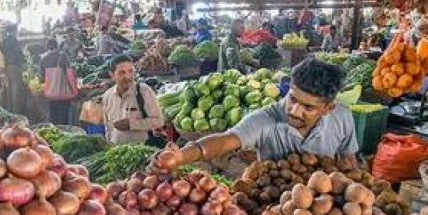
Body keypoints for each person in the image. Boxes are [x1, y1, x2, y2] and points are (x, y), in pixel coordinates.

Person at [152, 58, 360, 171]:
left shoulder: (342, 115)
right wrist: (181, 156)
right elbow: (226, 140)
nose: (294, 111)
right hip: (274, 209)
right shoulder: (267, 118)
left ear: (328, 108)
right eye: (293, 99)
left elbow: (348, 158)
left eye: (308, 108)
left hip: (327, 211)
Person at [102, 55, 164, 145]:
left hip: (143, 149)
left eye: (131, 71)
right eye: (122, 73)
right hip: (117, 151)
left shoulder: (144, 91)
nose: (127, 77)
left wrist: (131, 124)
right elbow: (108, 126)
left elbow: (159, 121)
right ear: (112, 75)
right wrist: (109, 144)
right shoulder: (107, 96)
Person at [40, 38, 75, 124]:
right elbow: (70, 74)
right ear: (57, 46)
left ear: (47, 47)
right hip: (64, 92)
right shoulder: (63, 56)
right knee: (64, 117)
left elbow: (42, 78)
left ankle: (55, 133)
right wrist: (74, 90)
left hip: (51, 94)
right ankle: (65, 132)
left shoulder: (43, 60)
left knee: (53, 117)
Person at [0, 24, 27, 114]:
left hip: (7, 66)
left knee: (9, 88)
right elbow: (18, 53)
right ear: (13, 31)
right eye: (16, 30)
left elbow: (1, 49)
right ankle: (16, 112)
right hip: (15, 66)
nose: (17, 32)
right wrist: (24, 59)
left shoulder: (4, 41)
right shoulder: (14, 40)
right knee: (16, 89)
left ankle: (9, 110)